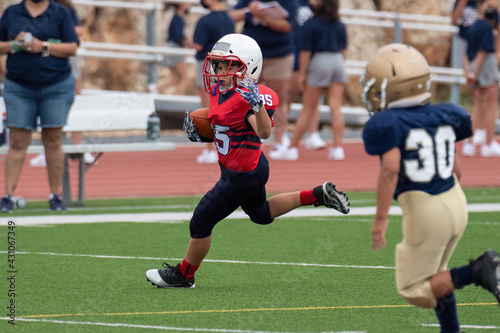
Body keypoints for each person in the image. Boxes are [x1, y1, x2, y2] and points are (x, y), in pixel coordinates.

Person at [146, 33, 350, 288]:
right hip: (252, 166)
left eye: (225, 65)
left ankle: (184, 275)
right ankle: (317, 195)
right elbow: (228, 127)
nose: (217, 70)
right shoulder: (222, 90)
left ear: (247, 67)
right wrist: (204, 132)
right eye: (217, 64)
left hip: (239, 176)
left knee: (201, 221)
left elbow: (263, 132)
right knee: (261, 214)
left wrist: (257, 107)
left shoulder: (249, 97)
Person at [361, 43, 500, 333]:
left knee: (414, 288)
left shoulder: (387, 122)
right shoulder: (446, 113)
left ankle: (479, 270)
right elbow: (455, 167)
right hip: (456, 201)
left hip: (425, 208)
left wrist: (381, 218)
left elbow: (390, 168)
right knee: (439, 276)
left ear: (391, 87)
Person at [0, 0, 79, 213]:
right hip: (19, 85)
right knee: (18, 140)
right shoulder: (12, 12)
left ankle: (56, 196)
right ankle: (7, 196)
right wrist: (14, 44)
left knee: (53, 139)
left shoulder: (60, 12)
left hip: (55, 84)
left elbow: (72, 47)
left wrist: (42, 46)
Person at [270, 0, 347, 161]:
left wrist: (303, 74)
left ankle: (291, 149)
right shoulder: (339, 24)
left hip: (319, 62)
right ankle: (338, 148)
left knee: (308, 108)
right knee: (335, 107)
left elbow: (305, 52)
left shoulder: (311, 24)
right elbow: (343, 50)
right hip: (338, 61)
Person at [29, 0, 96, 167]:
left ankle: (77, 146)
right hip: (43, 63)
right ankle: (47, 149)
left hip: (65, 61)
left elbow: (77, 31)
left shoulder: (66, 8)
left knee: (75, 102)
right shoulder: (31, 9)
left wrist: (55, 38)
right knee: (45, 106)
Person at [231, 0, 300, 152]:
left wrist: (265, 17)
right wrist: (249, 11)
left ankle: (280, 140)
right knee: (242, 95)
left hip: (279, 55)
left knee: (279, 98)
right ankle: (241, 137)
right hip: (249, 56)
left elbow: (288, 26)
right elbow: (230, 16)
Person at [193, 0, 234, 164]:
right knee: (223, 105)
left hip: (207, 62)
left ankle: (210, 149)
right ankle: (225, 146)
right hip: (225, 65)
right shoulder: (229, 19)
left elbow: (198, 45)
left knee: (208, 107)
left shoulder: (205, 21)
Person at [462, 0, 500, 157]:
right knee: (491, 104)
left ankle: (469, 143)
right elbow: (483, 52)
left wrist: (468, 73)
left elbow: (466, 53)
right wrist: (474, 74)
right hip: (484, 66)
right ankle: (488, 143)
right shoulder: (486, 27)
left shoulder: (473, 26)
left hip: (472, 65)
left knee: (478, 107)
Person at [288, 0, 326, 151]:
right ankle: (282, 133)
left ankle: (313, 134)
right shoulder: (293, 3)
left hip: (314, 52)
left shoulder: (318, 5)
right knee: (290, 93)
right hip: (295, 49)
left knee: (313, 96)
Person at [148, 3, 192, 96]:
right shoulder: (178, 19)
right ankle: (179, 99)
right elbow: (179, 37)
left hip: (172, 48)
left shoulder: (175, 17)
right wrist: (188, 43)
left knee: (177, 78)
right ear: (182, 5)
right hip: (175, 49)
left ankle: (155, 88)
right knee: (185, 78)